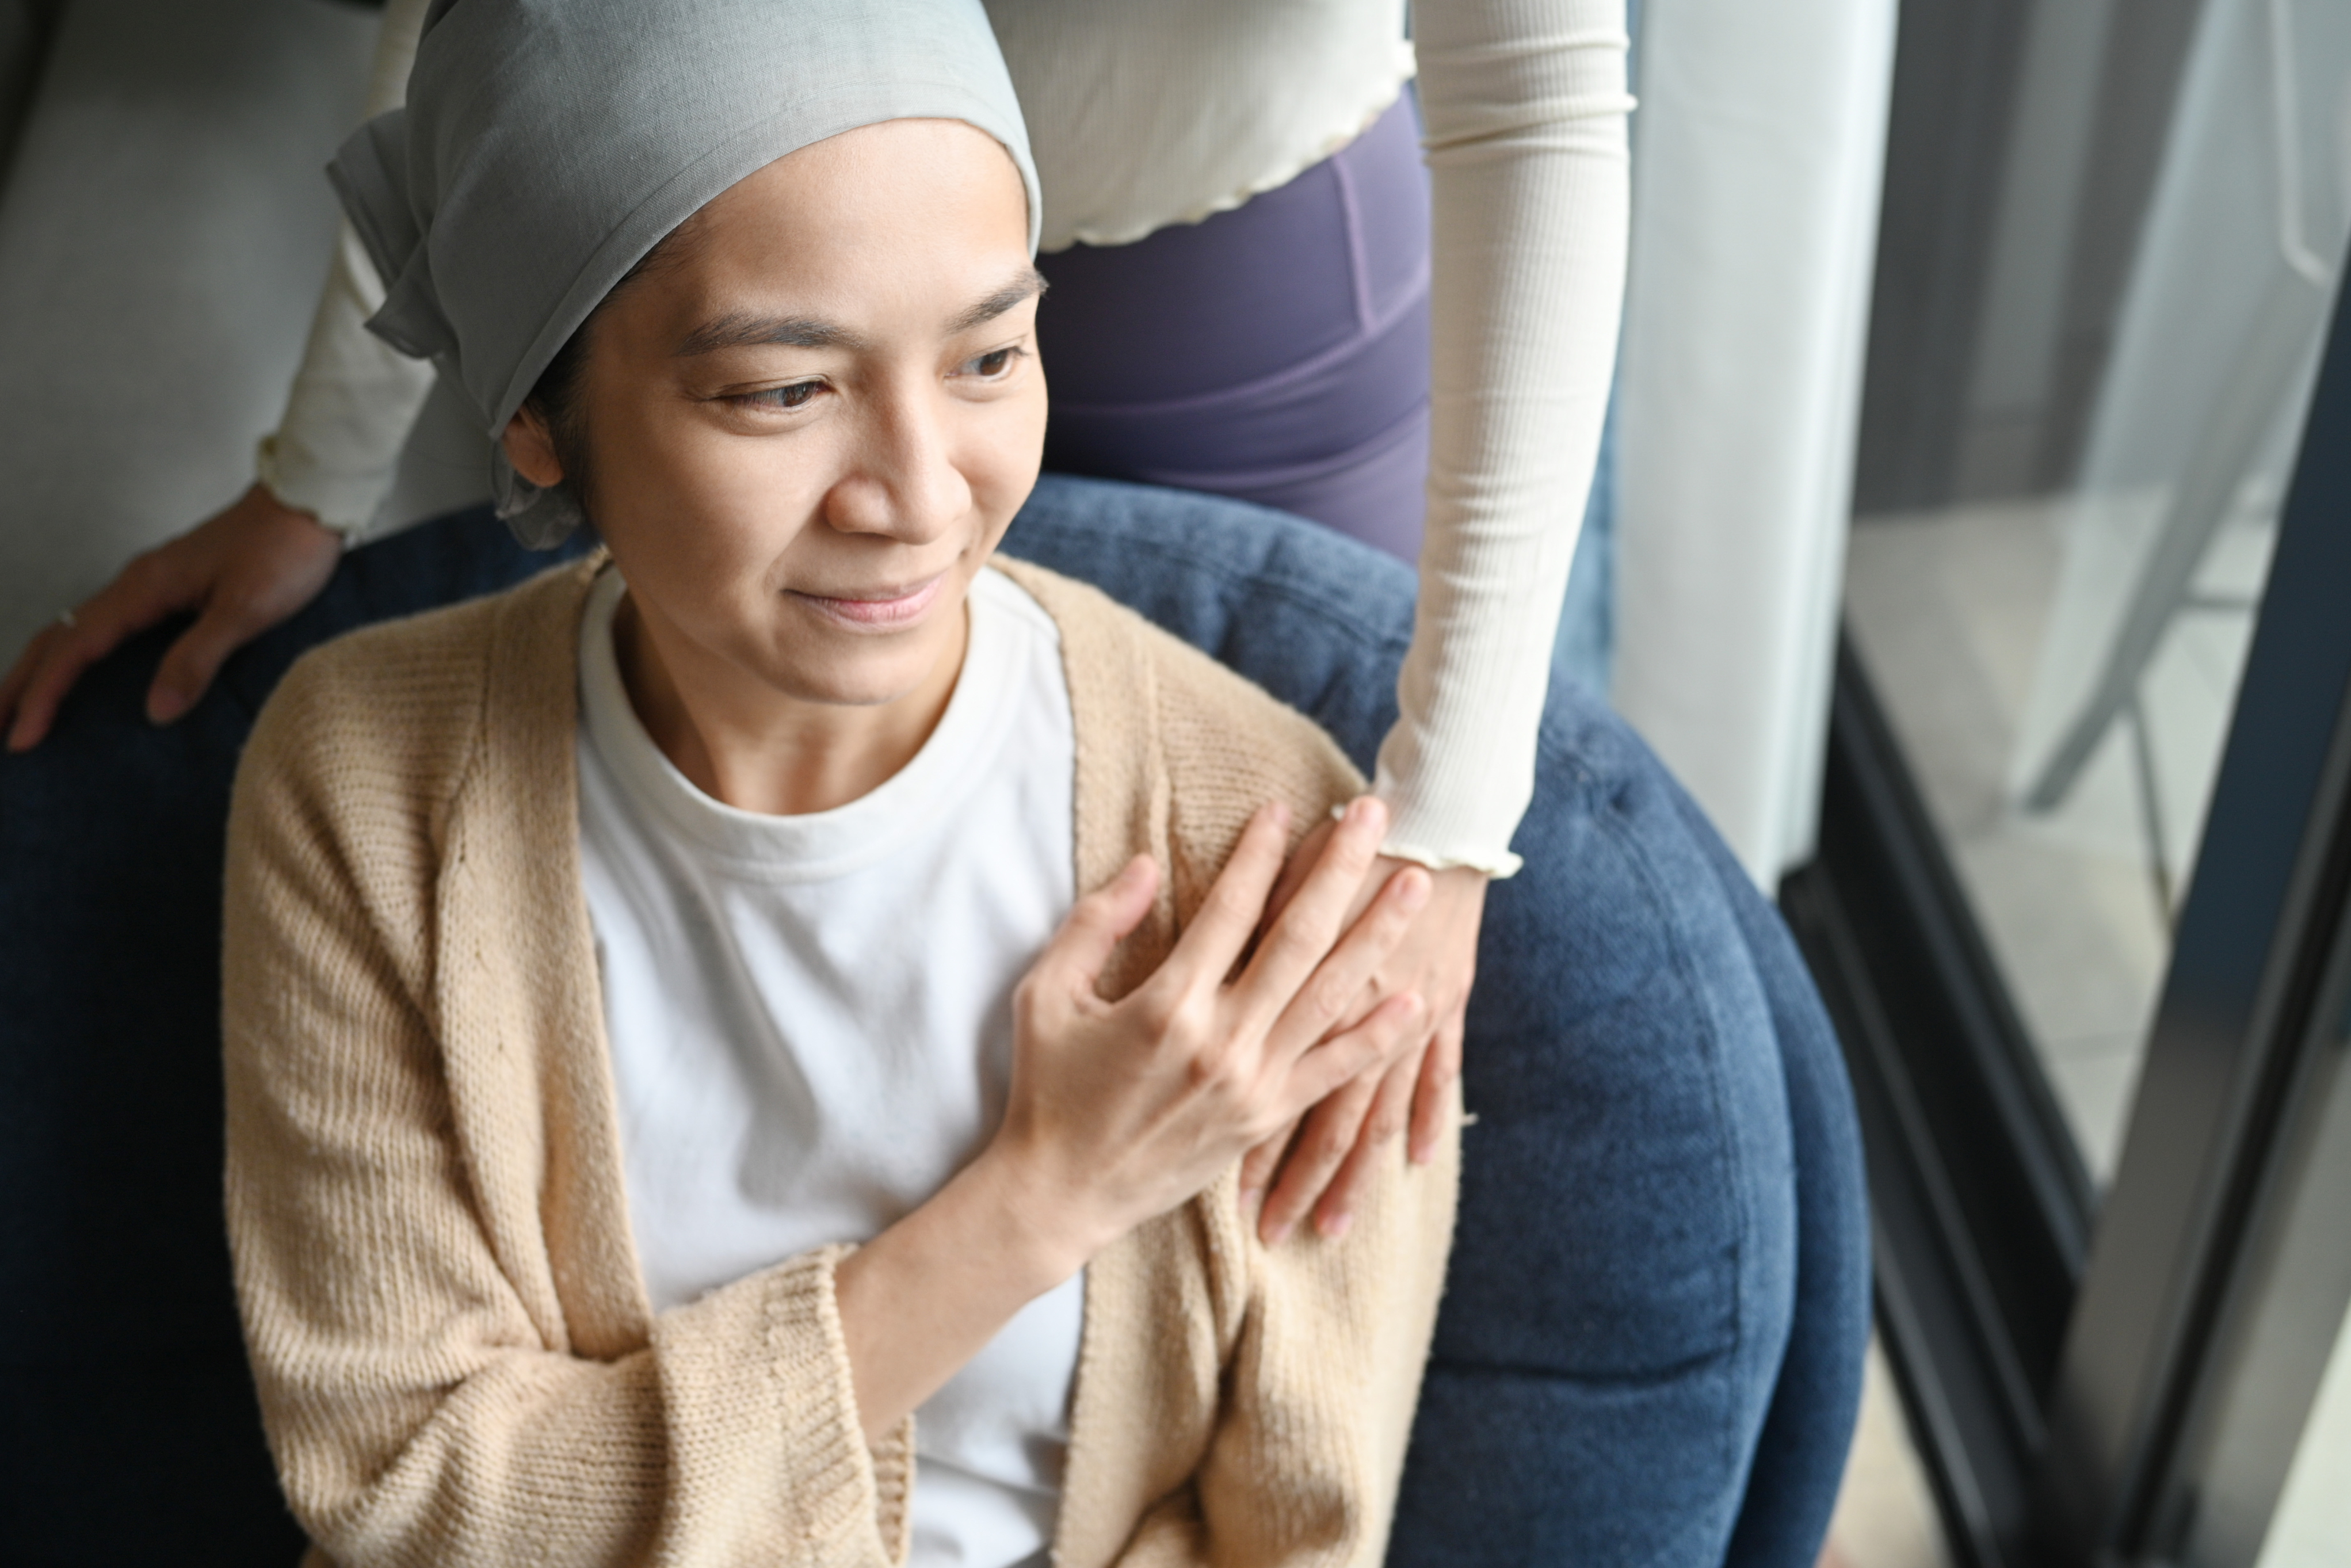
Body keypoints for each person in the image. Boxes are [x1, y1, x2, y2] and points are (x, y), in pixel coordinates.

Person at [3, 0, 1630, 1251]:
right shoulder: (368, 810)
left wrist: (1451, 821)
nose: (920, 495)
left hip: (1242, 299)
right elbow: (510, 45)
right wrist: (316, 483)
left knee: (1340, 1083)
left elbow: (1538, 87)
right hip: (723, 222)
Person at [223, 3, 1459, 1563]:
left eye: (990, 354)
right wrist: (1042, 1201)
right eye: (782, 391)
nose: (922, 496)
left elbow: (1297, 1530)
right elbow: (416, 1495)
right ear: (535, 422)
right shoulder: (365, 791)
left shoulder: (1253, 830)